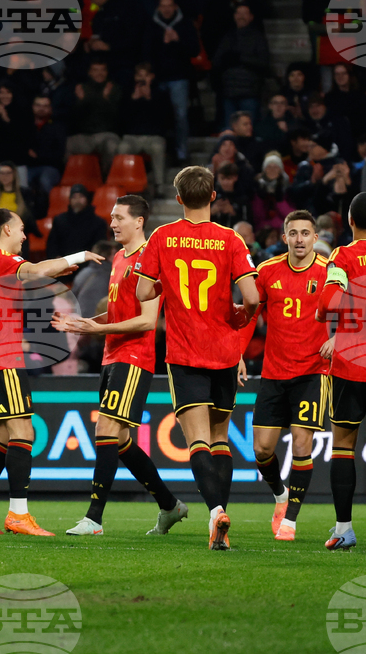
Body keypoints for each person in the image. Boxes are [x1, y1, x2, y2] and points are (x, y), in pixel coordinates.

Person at [0, 203, 104, 537]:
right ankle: (18, 514)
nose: (25, 235)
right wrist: (79, 255)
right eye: (22, 228)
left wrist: (47, 274)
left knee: (4, 437)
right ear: (6, 229)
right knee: (24, 433)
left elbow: (26, 278)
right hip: (2, 359)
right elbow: (34, 270)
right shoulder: (1, 259)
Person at [134, 166, 260, 550]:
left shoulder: (162, 236)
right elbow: (253, 297)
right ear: (213, 197)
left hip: (185, 352)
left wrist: (165, 283)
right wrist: (241, 316)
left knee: (198, 441)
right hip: (225, 351)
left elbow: (142, 293)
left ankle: (215, 512)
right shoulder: (230, 238)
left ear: (178, 199)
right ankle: (219, 520)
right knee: (221, 438)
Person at [52, 195, 188, 536]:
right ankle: (170, 505)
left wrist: (99, 329)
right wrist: (86, 323)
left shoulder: (152, 259)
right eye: (112, 217)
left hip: (134, 357)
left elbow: (146, 321)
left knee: (106, 430)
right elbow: (117, 313)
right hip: (111, 355)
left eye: (119, 217)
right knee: (121, 440)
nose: (112, 223)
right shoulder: (118, 258)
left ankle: (94, 519)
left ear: (139, 221)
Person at [238, 210, 331, 541]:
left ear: (315, 238)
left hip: (313, 372)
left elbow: (350, 312)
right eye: (293, 233)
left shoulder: (329, 271)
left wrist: (337, 339)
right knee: (262, 449)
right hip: (274, 372)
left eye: (305, 233)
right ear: (284, 238)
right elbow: (251, 315)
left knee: (302, 443)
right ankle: (280, 494)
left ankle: (290, 520)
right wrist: (238, 353)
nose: (299, 239)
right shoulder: (267, 270)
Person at [315, 192, 366, 553]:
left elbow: (328, 301)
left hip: (350, 361)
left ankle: (344, 529)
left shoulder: (342, 256)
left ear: (349, 221)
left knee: (343, 446)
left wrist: (329, 313)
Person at [144, 0, 199, 163]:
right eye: (163, 6)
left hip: (179, 78)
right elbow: (146, 51)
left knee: (180, 116)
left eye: (169, 5)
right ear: (158, 8)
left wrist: (178, 40)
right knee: (159, 116)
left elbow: (194, 50)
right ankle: (162, 153)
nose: (166, 9)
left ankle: (182, 152)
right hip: (158, 79)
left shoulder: (185, 24)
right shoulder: (152, 25)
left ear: (175, 7)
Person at [213, 4, 268, 126]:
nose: (241, 16)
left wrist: (240, 59)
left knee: (249, 129)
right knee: (230, 130)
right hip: (229, 91)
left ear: (251, 17)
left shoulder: (258, 37)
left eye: (244, 13)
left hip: (249, 92)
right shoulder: (227, 37)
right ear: (234, 16)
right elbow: (217, 61)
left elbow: (263, 63)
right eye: (238, 13)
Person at [118, 63, 169, 192]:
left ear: (152, 77)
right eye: (139, 76)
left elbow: (166, 119)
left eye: (146, 76)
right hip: (132, 137)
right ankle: (124, 184)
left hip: (153, 137)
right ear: (135, 77)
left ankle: (159, 185)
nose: (142, 79)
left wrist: (149, 98)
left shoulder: (160, 94)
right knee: (123, 148)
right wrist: (133, 100)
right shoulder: (127, 93)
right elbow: (121, 119)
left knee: (158, 147)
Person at [67, 60, 122, 178]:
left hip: (106, 134)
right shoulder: (82, 88)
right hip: (85, 135)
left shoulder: (114, 88)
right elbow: (75, 117)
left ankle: (106, 179)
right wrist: (82, 101)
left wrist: (105, 98)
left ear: (107, 72)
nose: (99, 73)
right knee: (67, 144)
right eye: (95, 70)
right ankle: (74, 181)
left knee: (112, 145)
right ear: (89, 72)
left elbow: (117, 116)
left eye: (103, 70)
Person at [45, 185, 109, 260]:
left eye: (81, 197)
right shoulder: (59, 220)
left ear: (87, 199)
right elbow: (52, 245)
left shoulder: (98, 223)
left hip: (89, 262)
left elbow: (100, 248)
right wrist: (58, 259)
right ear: (70, 200)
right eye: (74, 197)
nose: (77, 200)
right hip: (64, 262)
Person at [25, 95, 67, 198]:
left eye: (45, 106)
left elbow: (59, 154)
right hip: (29, 167)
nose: (41, 108)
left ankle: (49, 206)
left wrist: (38, 156)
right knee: (21, 180)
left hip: (50, 167)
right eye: (38, 105)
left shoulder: (57, 127)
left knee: (45, 180)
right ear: (33, 107)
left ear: (50, 108)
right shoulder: (26, 125)